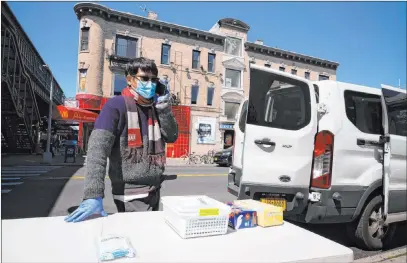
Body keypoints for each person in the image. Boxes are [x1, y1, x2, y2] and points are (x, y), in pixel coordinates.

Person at [65, 58, 178, 223]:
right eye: (144, 78)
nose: (151, 84)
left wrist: (164, 107)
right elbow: (97, 151)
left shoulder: (155, 108)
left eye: (154, 80)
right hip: (130, 194)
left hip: (154, 189)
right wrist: (93, 195)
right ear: (129, 79)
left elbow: (172, 136)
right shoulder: (115, 106)